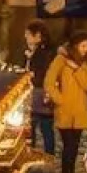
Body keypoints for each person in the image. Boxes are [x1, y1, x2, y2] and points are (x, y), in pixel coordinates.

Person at [44, 32, 87, 173]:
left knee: (74, 147)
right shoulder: (60, 60)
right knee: (68, 147)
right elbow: (49, 82)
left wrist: (76, 69)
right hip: (65, 112)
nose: (85, 49)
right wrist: (59, 100)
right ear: (75, 46)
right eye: (82, 46)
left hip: (80, 111)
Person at [22, 22, 58, 156]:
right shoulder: (32, 51)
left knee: (46, 129)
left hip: (41, 97)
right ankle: (29, 156)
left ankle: (49, 157)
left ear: (37, 35)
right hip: (32, 97)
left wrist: (31, 74)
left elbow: (43, 75)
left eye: (28, 35)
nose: (25, 38)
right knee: (30, 131)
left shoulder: (46, 53)